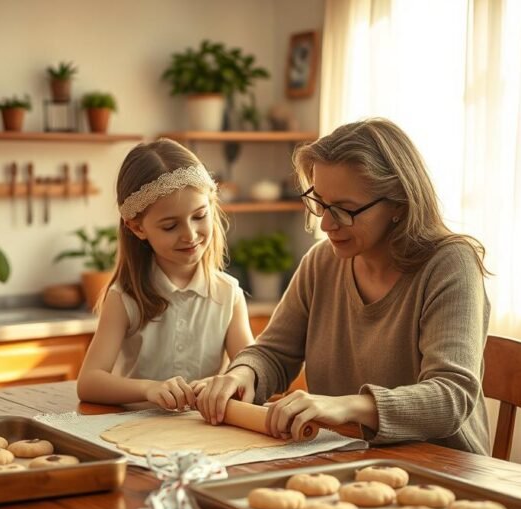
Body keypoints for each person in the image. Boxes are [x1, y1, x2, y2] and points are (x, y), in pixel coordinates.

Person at [197, 118, 493, 455]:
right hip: (346, 454)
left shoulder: (450, 264)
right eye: (320, 202)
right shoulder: (322, 262)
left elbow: (451, 396)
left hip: (445, 468)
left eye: (345, 209)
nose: (325, 223)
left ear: (398, 203)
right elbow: (273, 353)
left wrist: (349, 406)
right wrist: (243, 373)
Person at [76, 138, 254, 410]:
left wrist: (226, 384)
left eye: (199, 216)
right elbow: (89, 382)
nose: (190, 235)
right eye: (170, 226)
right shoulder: (124, 298)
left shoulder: (228, 294)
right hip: (135, 436)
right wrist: (150, 388)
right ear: (137, 228)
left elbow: (250, 374)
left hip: (207, 437)